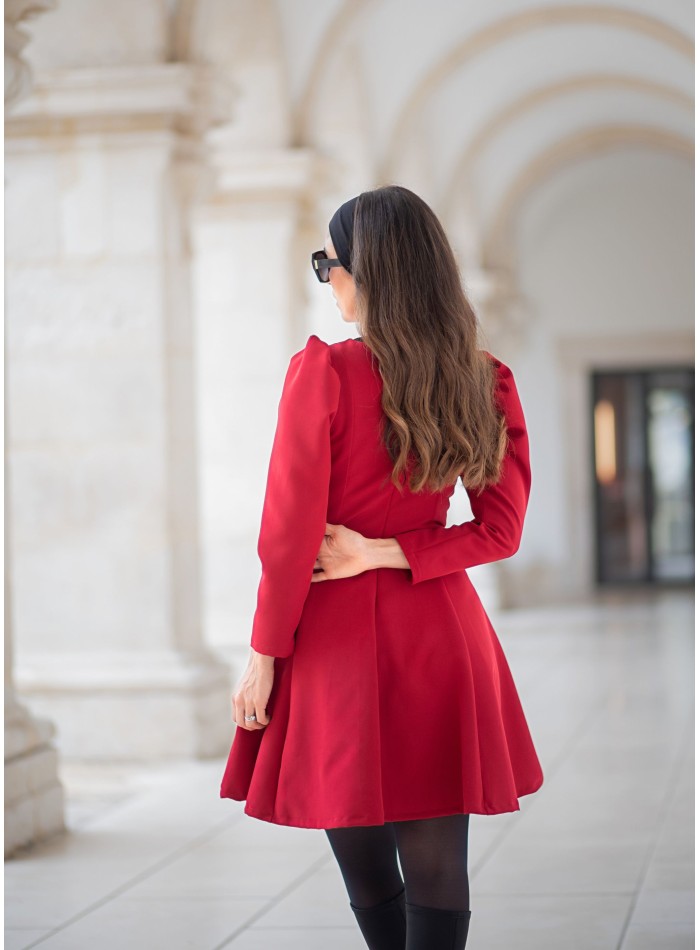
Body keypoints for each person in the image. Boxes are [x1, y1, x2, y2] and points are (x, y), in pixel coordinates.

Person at [219, 185, 544, 949]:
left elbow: (287, 538)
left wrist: (264, 655)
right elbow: (499, 532)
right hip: (440, 632)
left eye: (328, 262)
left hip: (332, 645)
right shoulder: (483, 377)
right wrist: (395, 550)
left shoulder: (323, 374)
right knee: (438, 863)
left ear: (369, 271)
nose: (327, 278)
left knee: (365, 863)